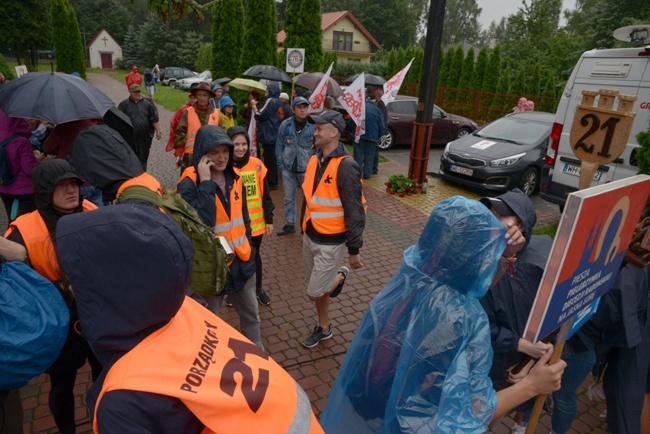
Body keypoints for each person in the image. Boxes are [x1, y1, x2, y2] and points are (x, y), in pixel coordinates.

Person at [54, 205, 324, 434]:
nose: (70, 285)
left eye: (78, 278)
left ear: (107, 287)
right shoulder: (185, 306)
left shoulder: (121, 401)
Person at [320, 196, 567, 433]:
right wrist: (532, 385)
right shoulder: (462, 320)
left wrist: (500, 255)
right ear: (480, 259)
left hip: (367, 412)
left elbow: (472, 284)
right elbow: (470, 414)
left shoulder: (410, 276)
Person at [5, 159, 102, 434]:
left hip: (97, 318)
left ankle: (102, 421)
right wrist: (61, 290)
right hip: (59, 329)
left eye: (74, 183)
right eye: (62, 185)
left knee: (104, 375)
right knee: (62, 385)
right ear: (46, 190)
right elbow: (19, 294)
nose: (72, 190)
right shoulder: (22, 232)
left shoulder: (92, 211)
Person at [550, 204, 650, 434]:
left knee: (565, 395)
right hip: (584, 339)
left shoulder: (625, 270)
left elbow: (613, 316)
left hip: (583, 343)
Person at [177, 125, 263, 350]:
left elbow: (243, 217)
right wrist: (205, 183)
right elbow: (202, 222)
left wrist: (251, 250)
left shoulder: (235, 177)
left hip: (242, 262)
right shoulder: (188, 185)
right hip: (213, 268)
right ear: (202, 155)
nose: (222, 158)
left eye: (225, 151)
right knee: (210, 324)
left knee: (251, 316)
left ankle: (257, 354)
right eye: (214, 152)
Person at [479, 189, 554, 433]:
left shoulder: (536, 266)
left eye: (499, 215)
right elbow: (473, 324)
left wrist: (529, 365)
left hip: (510, 369)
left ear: (520, 227)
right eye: (489, 212)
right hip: (480, 368)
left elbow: (549, 323)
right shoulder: (477, 258)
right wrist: (521, 345)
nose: (490, 219)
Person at [300, 110, 366, 348]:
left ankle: (340, 275)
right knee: (317, 289)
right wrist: (302, 228)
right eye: (314, 127)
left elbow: (355, 211)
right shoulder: (314, 159)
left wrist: (354, 248)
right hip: (310, 234)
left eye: (319, 128)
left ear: (334, 132)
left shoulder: (347, 167)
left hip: (331, 240)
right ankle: (324, 327)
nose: (314, 132)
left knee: (314, 292)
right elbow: (308, 198)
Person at [228, 126, 274, 306]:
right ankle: (233, 292)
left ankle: (258, 289)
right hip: (233, 224)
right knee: (234, 257)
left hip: (256, 224)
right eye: (236, 144)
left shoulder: (257, 164)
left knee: (254, 256)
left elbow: (266, 194)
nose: (240, 148)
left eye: (244, 144)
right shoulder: (225, 166)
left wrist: (269, 219)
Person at [275, 96, 315, 236]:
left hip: (306, 169)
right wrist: (281, 164)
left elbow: (316, 148)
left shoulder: (312, 126)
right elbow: (279, 144)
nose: (302, 110)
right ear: (293, 109)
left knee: (309, 198)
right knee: (289, 198)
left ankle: (308, 224)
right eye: (299, 107)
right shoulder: (285, 125)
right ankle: (289, 223)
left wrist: (313, 166)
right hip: (288, 168)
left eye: (305, 107)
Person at [0, 111, 40, 222]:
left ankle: (10, 237)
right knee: (29, 222)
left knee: (13, 221)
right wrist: (38, 159)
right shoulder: (21, 141)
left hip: (5, 187)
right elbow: (29, 169)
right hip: (25, 190)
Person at [175, 82, 220, 172]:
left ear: (209, 97)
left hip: (209, 155)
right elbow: (180, 132)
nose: (202, 98)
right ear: (196, 96)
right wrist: (179, 153)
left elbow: (220, 136)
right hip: (190, 156)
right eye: (199, 95)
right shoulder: (188, 112)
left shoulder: (216, 114)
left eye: (205, 95)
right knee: (188, 182)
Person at [117, 84, 161, 171]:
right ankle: (132, 176)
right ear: (130, 91)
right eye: (135, 92)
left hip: (145, 137)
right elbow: (118, 120)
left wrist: (158, 130)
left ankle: (142, 175)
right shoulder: (124, 105)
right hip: (130, 138)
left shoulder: (148, 103)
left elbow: (154, 118)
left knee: (143, 157)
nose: (137, 94)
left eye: (138, 91)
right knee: (131, 158)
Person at [254, 82, 286, 190]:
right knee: (273, 159)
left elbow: (260, 115)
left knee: (269, 159)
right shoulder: (280, 102)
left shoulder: (270, 101)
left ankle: (270, 182)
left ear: (270, 91)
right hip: (276, 133)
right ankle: (274, 181)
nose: (265, 92)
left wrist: (254, 108)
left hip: (269, 134)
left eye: (267, 90)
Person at [355, 100, 383, 180]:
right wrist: (378, 136)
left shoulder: (359, 108)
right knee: (369, 156)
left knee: (358, 155)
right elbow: (382, 126)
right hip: (372, 137)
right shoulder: (378, 110)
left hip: (359, 135)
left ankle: (357, 174)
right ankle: (367, 174)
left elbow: (352, 121)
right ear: (374, 102)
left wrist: (352, 132)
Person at [166, 92, 197, 161]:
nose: (193, 100)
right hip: (187, 149)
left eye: (194, 98)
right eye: (191, 98)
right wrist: (179, 152)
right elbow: (178, 130)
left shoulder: (208, 112)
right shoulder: (183, 110)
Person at [367, 86, 387, 175]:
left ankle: (374, 168)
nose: (374, 95)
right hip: (376, 130)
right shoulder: (378, 103)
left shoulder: (381, 104)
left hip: (377, 131)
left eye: (375, 93)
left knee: (375, 150)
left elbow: (381, 118)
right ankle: (372, 167)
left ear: (378, 94)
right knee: (374, 149)